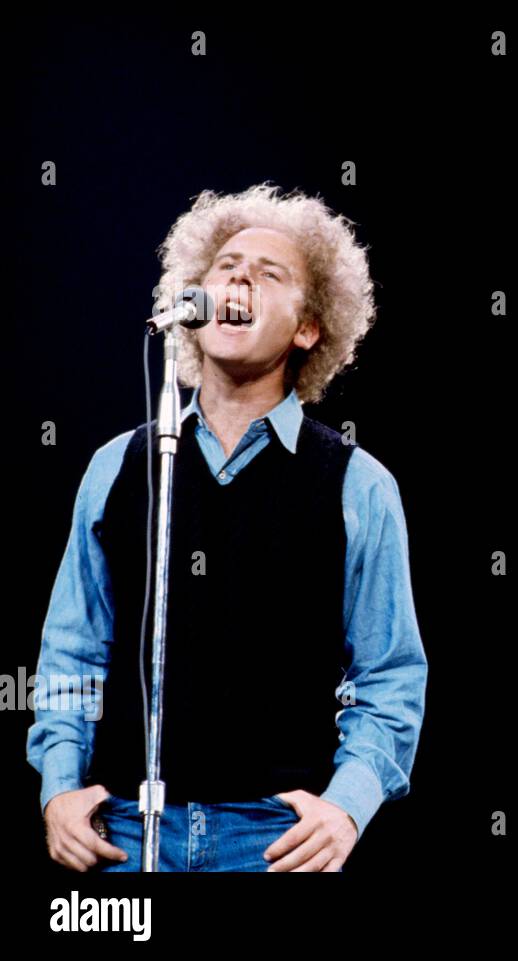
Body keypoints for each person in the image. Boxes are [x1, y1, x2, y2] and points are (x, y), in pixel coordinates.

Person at [28, 184, 427, 872]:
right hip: (122, 831)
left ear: (307, 327)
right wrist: (59, 787)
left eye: (270, 273)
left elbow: (389, 677)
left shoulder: (359, 484)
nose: (239, 276)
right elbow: (73, 651)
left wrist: (348, 804)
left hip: (274, 838)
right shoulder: (118, 466)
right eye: (226, 266)